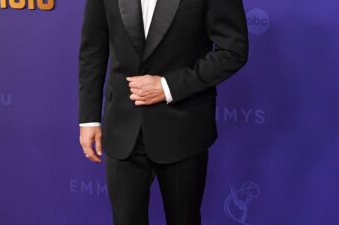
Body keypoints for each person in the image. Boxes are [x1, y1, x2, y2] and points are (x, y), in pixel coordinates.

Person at [78, 0, 249, 224]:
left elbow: (233, 50)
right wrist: (89, 119)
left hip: (184, 126)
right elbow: (93, 50)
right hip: (123, 126)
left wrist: (169, 87)